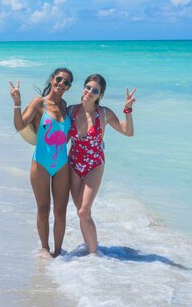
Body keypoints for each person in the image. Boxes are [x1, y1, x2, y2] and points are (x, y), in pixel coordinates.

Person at [67, 74, 136, 255]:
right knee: (81, 212)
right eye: (88, 87)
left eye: (95, 90)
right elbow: (56, 131)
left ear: (100, 95)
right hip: (73, 164)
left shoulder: (104, 114)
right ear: (83, 88)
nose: (90, 92)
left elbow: (128, 132)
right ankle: (90, 247)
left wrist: (127, 111)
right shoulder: (70, 111)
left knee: (83, 211)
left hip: (94, 165)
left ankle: (93, 255)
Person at [10, 68, 73, 258]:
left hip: (62, 164)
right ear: (52, 80)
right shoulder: (39, 103)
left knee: (61, 211)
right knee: (43, 208)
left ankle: (59, 252)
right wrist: (17, 104)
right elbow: (20, 126)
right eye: (59, 79)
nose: (62, 83)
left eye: (66, 82)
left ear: (69, 87)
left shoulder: (65, 105)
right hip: (41, 164)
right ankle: (45, 248)